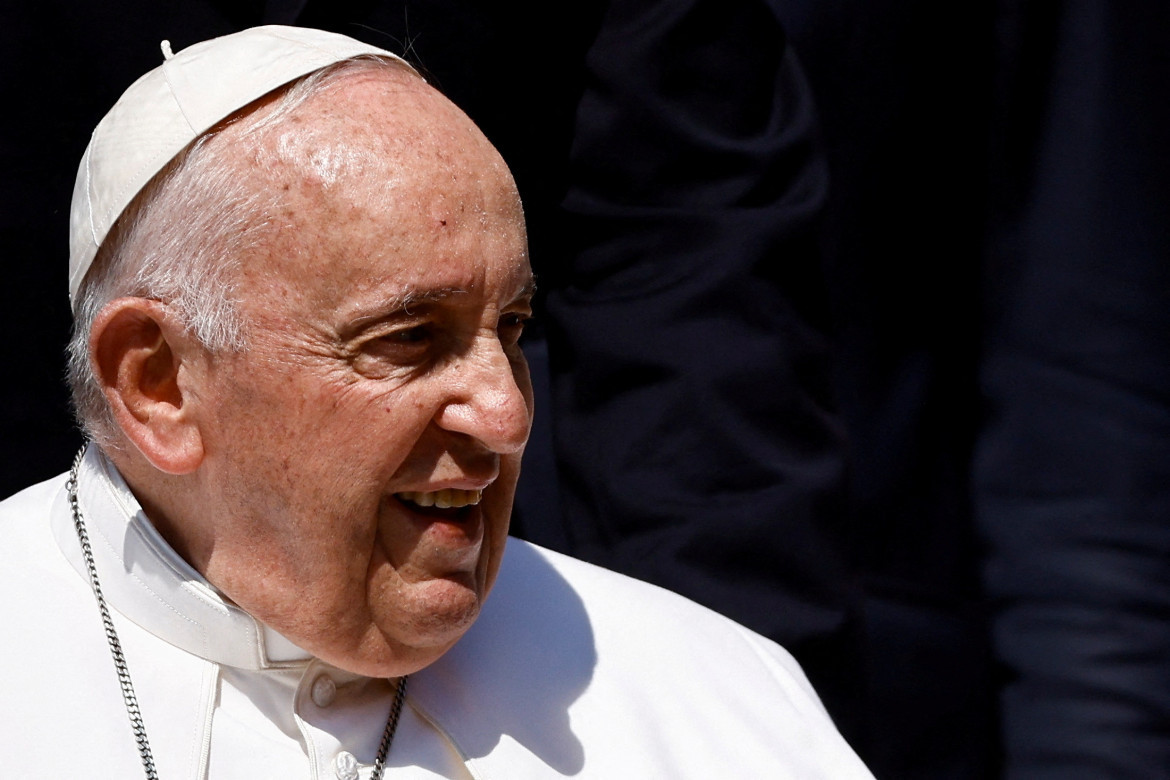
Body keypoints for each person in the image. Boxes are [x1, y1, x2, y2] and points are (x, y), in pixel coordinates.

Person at [0, 26, 870, 779]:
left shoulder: (713, 695)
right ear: (160, 385)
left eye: (515, 326)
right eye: (410, 338)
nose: (507, 416)